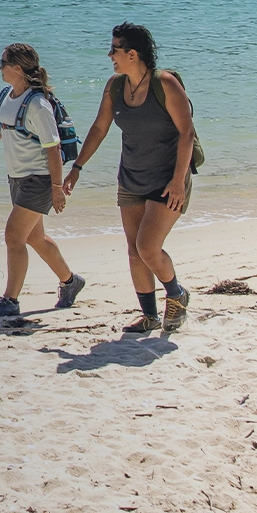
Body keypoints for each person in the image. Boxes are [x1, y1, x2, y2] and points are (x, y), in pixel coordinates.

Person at [65, 22, 196, 333]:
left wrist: (178, 181)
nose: (110, 54)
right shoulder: (115, 86)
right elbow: (99, 129)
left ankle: (176, 295)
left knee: (148, 246)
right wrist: (77, 168)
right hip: (131, 178)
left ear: (133, 54)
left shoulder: (165, 84)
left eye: (115, 49)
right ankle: (149, 315)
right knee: (133, 249)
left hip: (168, 178)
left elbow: (187, 133)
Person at [0, 42, 86, 319]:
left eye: (3, 62)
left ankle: (10, 300)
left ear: (17, 68)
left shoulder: (38, 105)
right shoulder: (6, 96)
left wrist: (56, 188)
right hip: (16, 179)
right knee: (35, 238)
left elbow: (52, 149)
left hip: (38, 180)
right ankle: (70, 281)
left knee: (14, 236)